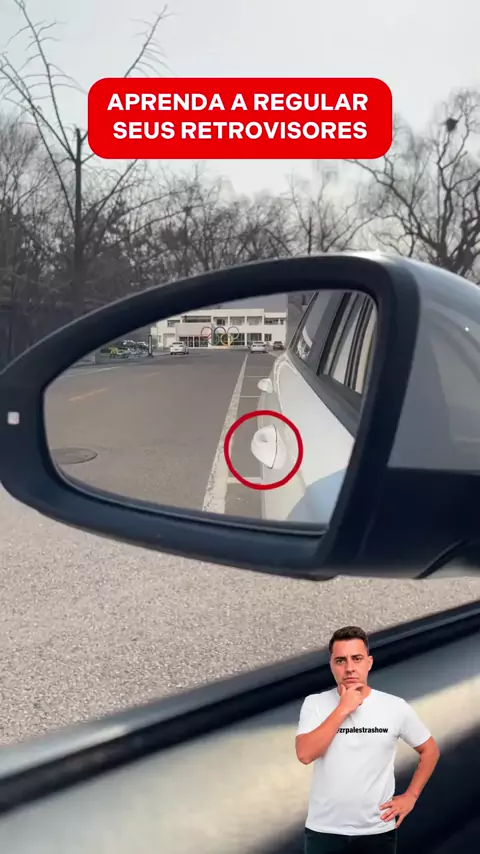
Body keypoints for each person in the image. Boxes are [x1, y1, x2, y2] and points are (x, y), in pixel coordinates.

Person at [295, 626, 440, 853]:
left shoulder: (394, 706)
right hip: (324, 831)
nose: (349, 668)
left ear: (369, 662)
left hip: (377, 831)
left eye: (357, 658)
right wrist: (343, 708)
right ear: (331, 665)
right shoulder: (315, 704)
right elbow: (305, 754)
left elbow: (430, 750)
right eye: (340, 661)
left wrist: (411, 796)